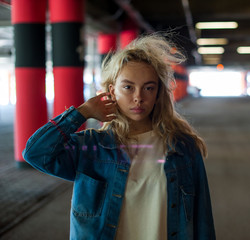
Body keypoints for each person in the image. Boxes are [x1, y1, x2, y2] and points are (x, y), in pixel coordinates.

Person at [23, 34, 216, 240]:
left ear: (158, 92)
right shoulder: (91, 147)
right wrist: (81, 113)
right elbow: (36, 153)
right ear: (112, 91)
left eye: (148, 88)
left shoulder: (182, 147)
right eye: (128, 87)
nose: (138, 97)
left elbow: (202, 219)